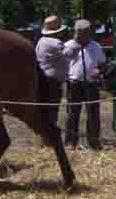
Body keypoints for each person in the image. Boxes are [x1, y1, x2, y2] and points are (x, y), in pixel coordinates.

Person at [64, 19, 108, 150]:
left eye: (83, 35)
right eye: (78, 35)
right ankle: (70, 142)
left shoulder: (96, 46)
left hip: (91, 84)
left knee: (93, 115)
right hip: (73, 84)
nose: (79, 38)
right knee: (72, 115)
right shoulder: (67, 46)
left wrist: (99, 71)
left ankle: (94, 143)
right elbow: (62, 65)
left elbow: (103, 64)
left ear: (88, 34)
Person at [35, 15, 68, 135]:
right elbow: (68, 55)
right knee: (52, 110)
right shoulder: (56, 43)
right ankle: (50, 134)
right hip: (53, 81)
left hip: (42, 78)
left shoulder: (41, 41)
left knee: (44, 109)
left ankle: (44, 134)